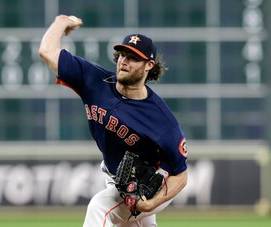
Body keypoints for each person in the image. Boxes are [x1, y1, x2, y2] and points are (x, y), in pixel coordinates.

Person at [39, 15, 188, 227]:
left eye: (133, 58)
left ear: (149, 65)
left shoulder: (161, 120)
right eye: (122, 55)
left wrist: (151, 203)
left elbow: (180, 175)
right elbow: (47, 52)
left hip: (154, 185)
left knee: (100, 208)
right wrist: (61, 22)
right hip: (117, 178)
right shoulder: (94, 80)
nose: (124, 61)